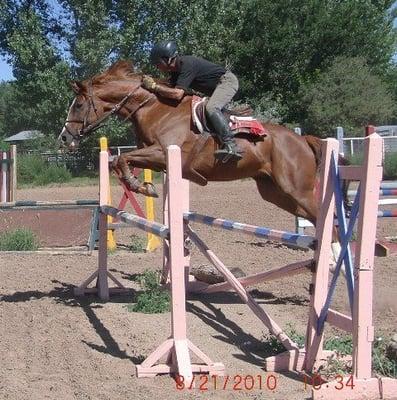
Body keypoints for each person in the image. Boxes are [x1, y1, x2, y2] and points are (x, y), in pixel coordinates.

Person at [142, 40, 243, 162]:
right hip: (216, 88)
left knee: (211, 108)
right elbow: (169, 90)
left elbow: (177, 94)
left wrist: (154, 86)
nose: (157, 66)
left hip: (227, 81)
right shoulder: (175, 73)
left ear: (167, 59)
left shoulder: (187, 64)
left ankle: (231, 145)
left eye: (157, 63)